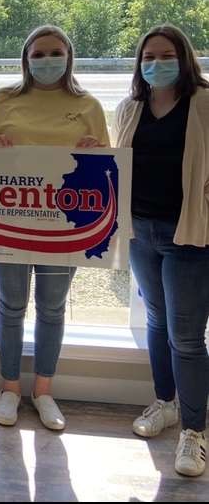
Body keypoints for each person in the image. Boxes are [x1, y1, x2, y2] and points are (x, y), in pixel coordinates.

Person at [0, 25, 110, 431]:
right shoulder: (2, 102)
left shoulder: (88, 105)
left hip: (64, 224)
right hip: (10, 221)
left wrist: (94, 154)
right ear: (25, 58)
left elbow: (107, 165)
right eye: (38, 54)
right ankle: (10, 388)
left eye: (55, 52)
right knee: (11, 306)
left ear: (69, 57)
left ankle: (44, 391)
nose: (47, 60)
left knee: (52, 309)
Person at [114, 25, 209, 477]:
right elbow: (118, 162)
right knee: (156, 321)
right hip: (141, 231)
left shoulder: (205, 105)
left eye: (165, 54)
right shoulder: (130, 108)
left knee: (186, 337)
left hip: (190, 235)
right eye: (147, 56)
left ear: (184, 58)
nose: (155, 63)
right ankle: (165, 403)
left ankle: (195, 431)